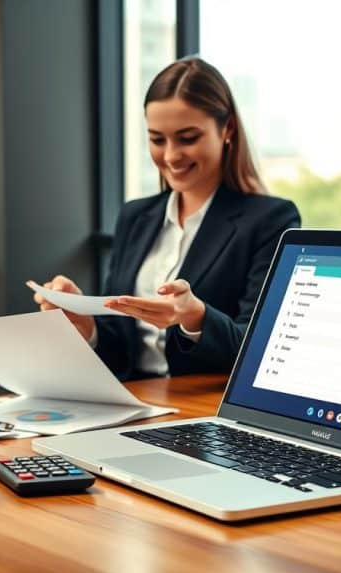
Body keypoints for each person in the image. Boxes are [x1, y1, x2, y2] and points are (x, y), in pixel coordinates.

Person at [32, 57, 300, 380]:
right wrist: (86, 323)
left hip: (200, 410)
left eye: (188, 138)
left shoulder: (270, 221)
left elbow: (260, 350)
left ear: (226, 129)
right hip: (132, 403)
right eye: (158, 139)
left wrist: (195, 318)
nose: (171, 155)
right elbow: (122, 351)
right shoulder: (135, 217)